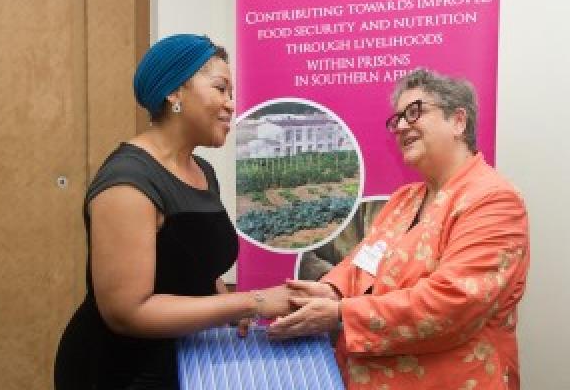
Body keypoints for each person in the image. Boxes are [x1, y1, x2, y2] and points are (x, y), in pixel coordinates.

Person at [54, 34, 293, 390]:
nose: (231, 105)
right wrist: (251, 303)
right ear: (174, 92)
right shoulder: (128, 182)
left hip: (184, 361)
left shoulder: (202, 172)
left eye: (232, 94)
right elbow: (127, 313)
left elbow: (195, 259)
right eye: (220, 88)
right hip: (120, 372)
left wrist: (227, 305)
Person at [268, 68, 530, 390]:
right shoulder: (404, 199)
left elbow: (455, 302)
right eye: (397, 119)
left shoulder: (494, 200)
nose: (402, 125)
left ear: (458, 121)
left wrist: (340, 313)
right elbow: (359, 264)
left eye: (414, 112)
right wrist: (330, 291)